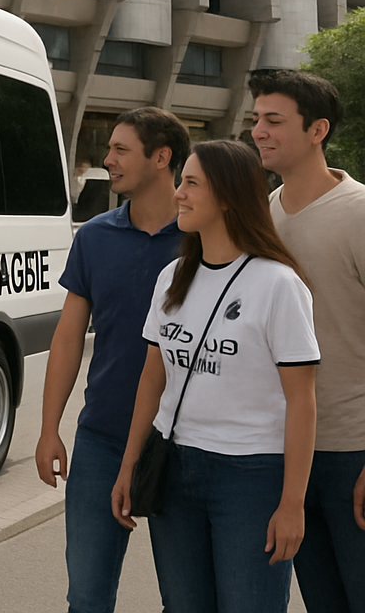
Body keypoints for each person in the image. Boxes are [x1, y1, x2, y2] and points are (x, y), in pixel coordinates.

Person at [111, 139, 319, 613]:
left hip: (249, 477)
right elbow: (152, 380)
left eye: (191, 183)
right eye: (181, 182)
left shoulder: (278, 284)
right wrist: (129, 466)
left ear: (227, 196)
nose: (178, 193)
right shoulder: (173, 276)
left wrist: (292, 504)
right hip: (175, 466)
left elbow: (303, 401)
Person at [35, 107, 189, 613]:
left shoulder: (204, 239)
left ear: (161, 157)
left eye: (121, 150)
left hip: (184, 442)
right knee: (87, 595)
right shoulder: (95, 237)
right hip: (102, 438)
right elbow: (67, 339)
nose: (108, 160)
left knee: (186, 598)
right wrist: (49, 428)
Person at [250, 68, 365, 613]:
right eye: (256, 120)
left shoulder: (359, 212)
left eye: (274, 120)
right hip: (289, 453)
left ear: (318, 129)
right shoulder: (262, 218)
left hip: (355, 450)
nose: (260, 131)